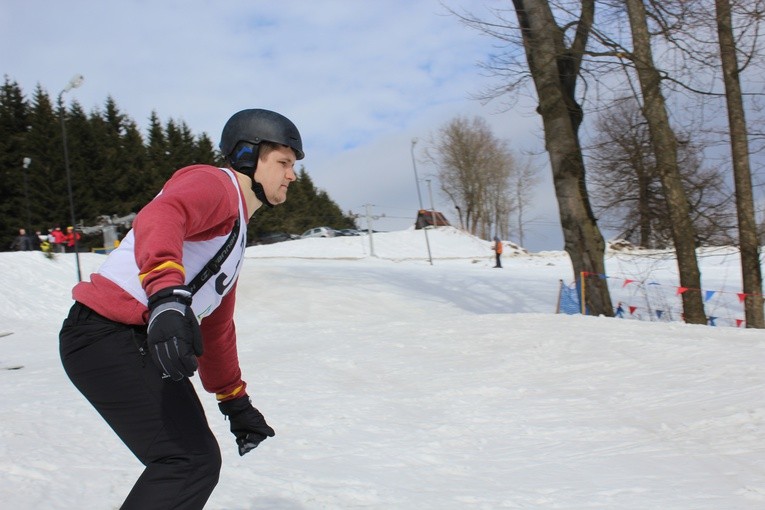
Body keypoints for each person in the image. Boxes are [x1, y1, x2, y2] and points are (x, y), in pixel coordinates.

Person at [59, 108, 304, 509]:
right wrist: (166, 296)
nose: (292, 175)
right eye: (283, 162)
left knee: (193, 461)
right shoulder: (215, 184)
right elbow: (162, 214)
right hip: (105, 333)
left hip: (129, 340)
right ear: (247, 156)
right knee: (188, 462)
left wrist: (235, 401)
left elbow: (217, 328)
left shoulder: (235, 234)